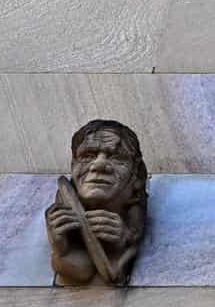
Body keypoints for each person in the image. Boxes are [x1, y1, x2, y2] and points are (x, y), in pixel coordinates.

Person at [44, 119, 148, 285]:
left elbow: (112, 271)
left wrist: (127, 239)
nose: (99, 165)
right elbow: (80, 269)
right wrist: (63, 250)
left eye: (116, 157)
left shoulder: (133, 220)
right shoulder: (63, 203)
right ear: (73, 166)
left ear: (136, 175)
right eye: (88, 156)